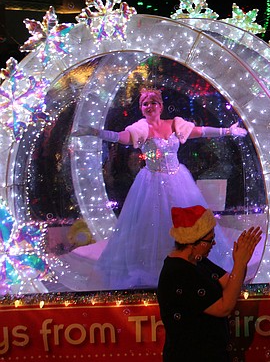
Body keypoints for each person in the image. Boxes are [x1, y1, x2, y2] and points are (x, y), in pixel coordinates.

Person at [74, 87, 248, 289]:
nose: (149, 107)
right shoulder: (141, 129)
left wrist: (227, 131)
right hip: (152, 182)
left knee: (187, 221)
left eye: (153, 102)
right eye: (145, 104)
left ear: (161, 106)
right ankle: (159, 268)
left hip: (178, 179)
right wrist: (95, 133)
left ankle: (193, 264)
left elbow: (199, 132)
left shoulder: (175, 124)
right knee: (154, 225)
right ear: (141, 108)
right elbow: (120, 137)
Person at [157, 205, 262, 362]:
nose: (213, 244)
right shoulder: (178, 273)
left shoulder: (199, 262)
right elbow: (224, 307)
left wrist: (241, 261)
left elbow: (230, 282)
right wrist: (239, 264)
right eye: (210, 240)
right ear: (193, 242)